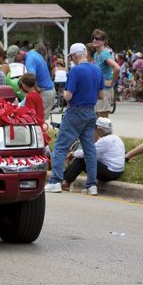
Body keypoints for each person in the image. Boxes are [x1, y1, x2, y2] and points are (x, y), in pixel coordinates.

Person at [45, 43, 104, 195]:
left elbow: (68, 96)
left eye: (71, 57)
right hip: (91, 112)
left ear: (75, 55)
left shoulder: (76, 70)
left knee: (60, 146)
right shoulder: (97, 69)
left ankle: (55, 181)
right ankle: (91, 185)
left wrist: (65, 93)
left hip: (75, 111)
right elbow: (102, 95)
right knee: (89, 148)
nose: (72, 60)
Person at [61, 117, 125, 193]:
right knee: (84, 158)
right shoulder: (116, 138)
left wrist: (72, 154)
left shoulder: (105, 141)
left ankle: (65, 182)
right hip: (117, 172)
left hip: (110, 172)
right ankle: (65, 180)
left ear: (100, 130)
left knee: (81, 160)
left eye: (94, 128)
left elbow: (87, 152)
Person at [92, 29, 120, 118]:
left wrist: (111, 82)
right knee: (97, 120)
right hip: (98, 88)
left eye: (97, 38)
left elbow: (117, 67)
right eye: (93, 38)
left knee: (103, 121)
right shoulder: (96, 54)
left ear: (103, 41)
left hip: (105, 89)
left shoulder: (104, 54)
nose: (94, 40)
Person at [25, 43, 56, 120]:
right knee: (42, 120)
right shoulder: (37, 57)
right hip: (51, 90)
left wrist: (36, 88)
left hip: (44, 92)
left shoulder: (30, 58)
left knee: (37, 120)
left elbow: (31, 77)